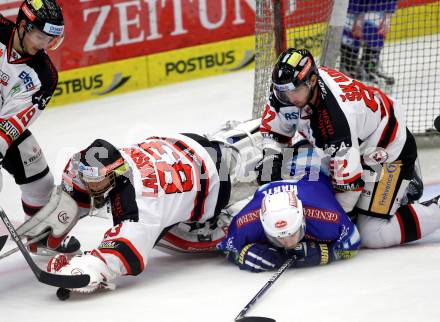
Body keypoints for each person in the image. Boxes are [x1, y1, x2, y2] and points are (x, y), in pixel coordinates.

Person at [45, 121, 263, 293]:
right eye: (86, 175)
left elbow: (126, 250)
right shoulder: (113, 161)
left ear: (115, 175)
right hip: (188, 146)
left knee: (267, 175)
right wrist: (49, 228)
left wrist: (88, 268)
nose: (87, 182)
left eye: (95, 179)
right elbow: (78, 179)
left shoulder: (142, 200)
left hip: (216, 182)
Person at [256, 48, 440, 249]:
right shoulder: (285, 93)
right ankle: (398, 189)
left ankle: (407, 186)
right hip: (350, 144)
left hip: (386, 151)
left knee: (371, 233)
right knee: (292, 169)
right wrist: (270, 162)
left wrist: (326, 225)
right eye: (283, 91)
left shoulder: (336, 118)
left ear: (313, 81)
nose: (289, 99)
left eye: (294, 91)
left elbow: (349, 187)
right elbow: (274, 134)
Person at [0, 0, 79, 255]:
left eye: (50, 40)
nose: (44, 46)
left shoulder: (44, 76)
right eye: (40, 37)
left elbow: (12, 124)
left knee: (37, 175)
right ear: (22, 26)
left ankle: (40, 234)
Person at [217, 173, 361, 272]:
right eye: (277, 238)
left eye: (293, 234)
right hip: (272, 183)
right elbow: (227, 247)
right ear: (263, 223)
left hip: (314, 172)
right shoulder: (247, 222)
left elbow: (353, 241)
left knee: (351, 208)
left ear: (303, 219)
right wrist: (243, 256)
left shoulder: (327, 216)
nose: (288, 244)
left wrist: (326, 254)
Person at [340, 0, 398, 86]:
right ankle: (349, 68)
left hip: (378, 6)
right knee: (351, 36)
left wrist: (388, 14)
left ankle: (368, 68)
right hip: (352, 6)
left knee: (375, 35)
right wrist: (360, 16)